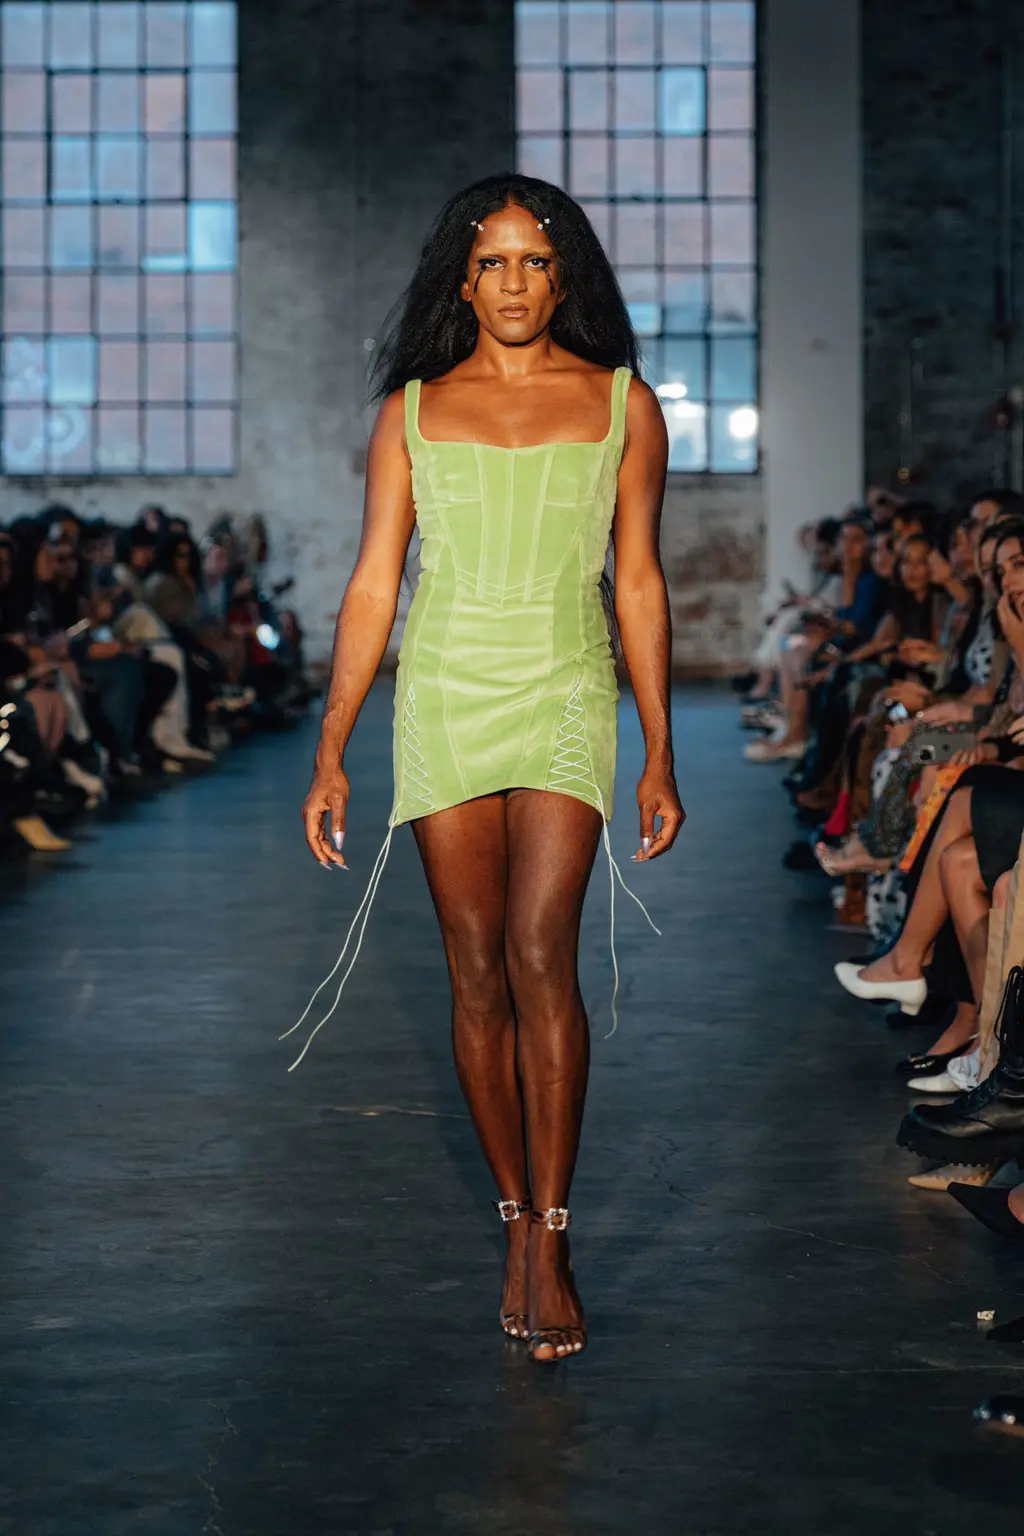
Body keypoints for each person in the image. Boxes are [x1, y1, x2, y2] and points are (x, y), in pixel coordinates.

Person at [293, 174, 685, 1364]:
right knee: (473, 971)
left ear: (564, 278)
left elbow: (637, 580)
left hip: (566, 687)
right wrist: (330, 747)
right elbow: (375, 581)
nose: (514, 283)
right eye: (493, 263)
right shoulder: (412, 412)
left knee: (538, 954)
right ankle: (514, 1216)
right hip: (447, 694)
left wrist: (660, 747)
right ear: (461, 282)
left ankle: (552, 1234)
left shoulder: (622, 404)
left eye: (534, 262)